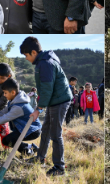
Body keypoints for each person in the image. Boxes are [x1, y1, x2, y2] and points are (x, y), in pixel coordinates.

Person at [20, 36, 72, 177]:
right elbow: (45, 89)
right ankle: (40, 158)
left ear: (33, 52)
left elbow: (47, 89)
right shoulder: (42, 62)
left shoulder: (46, 63)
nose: (25, 58)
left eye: (26, 55)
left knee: (55, 133)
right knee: (46, 130)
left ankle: (59, 168)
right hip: (53, 100)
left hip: (60, 101)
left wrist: (39, 109)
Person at [0, 78, 41, 156]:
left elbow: (3, 119)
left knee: (8, 140)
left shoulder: (18, 107)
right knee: (8, 140)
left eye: (5, 93)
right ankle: (30, 148)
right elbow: (2, 113)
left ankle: (28, 151)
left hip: (32, 131)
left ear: (13, 92)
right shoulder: (14, 100)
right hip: (25, 128)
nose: (4, 95)